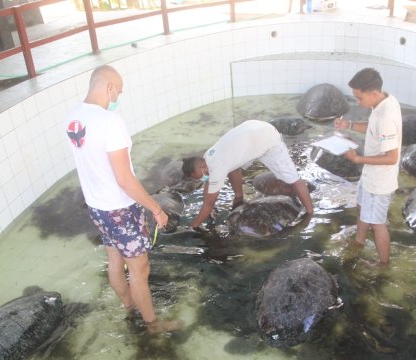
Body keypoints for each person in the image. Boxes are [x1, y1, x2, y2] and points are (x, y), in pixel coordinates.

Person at [65, 65, 181, 334]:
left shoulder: (74, 118)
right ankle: (152, 325)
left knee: (115, 261)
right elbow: (125, 179)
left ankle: (130, 308)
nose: (118, 97)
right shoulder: (110, 122)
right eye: (118, 91)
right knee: (139, 271)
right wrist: (156, 208)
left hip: (97, 207)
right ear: (109, 87)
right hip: (119, 209)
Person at [182, 120, 314, 230]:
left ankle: (309, 214)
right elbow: (213, 182)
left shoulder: (217, 166)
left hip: (267, 139)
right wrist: (235, 198)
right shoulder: (208, 157)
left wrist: (194, 226)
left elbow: (210, 202)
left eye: (199, 176)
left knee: (293, 179)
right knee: (233, 168)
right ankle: (239, 197)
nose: (203, 179)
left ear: (201, 167)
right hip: (253, 130)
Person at [333, 68, 402, 266]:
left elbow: (391, 157)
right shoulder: (384, 101)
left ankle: (383, 264)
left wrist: (358, 159)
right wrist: (349, 125)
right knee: (362, 207)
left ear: (373, 93)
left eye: (359, 97)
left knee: (378, 224)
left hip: (380, 181)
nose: (357, 102)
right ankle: (359, 241)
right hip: (371, 175)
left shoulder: (386, 117)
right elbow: (373, 128)